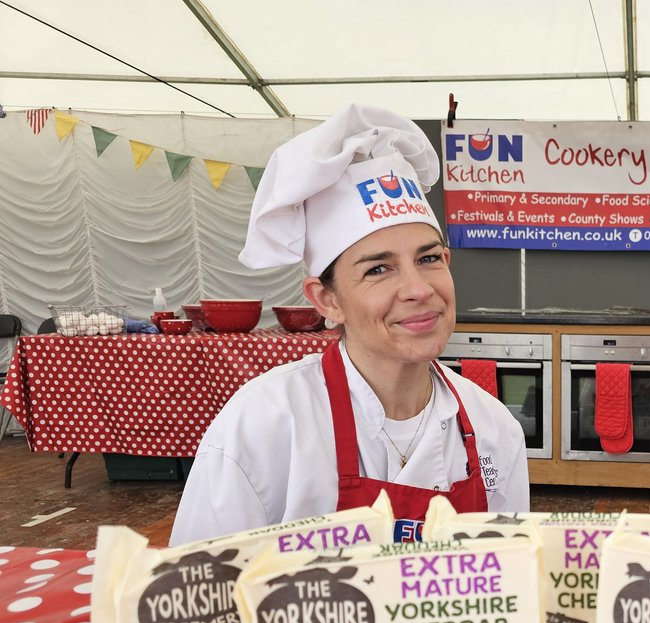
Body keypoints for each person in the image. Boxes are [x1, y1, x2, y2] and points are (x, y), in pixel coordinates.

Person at [171, 105, 529, 545]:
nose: (419, 289)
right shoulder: (265, 424)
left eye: (429, 258)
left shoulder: (493, 428)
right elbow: (200, 590)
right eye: (379, 269)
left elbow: (505, 580)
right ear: (328, 300)